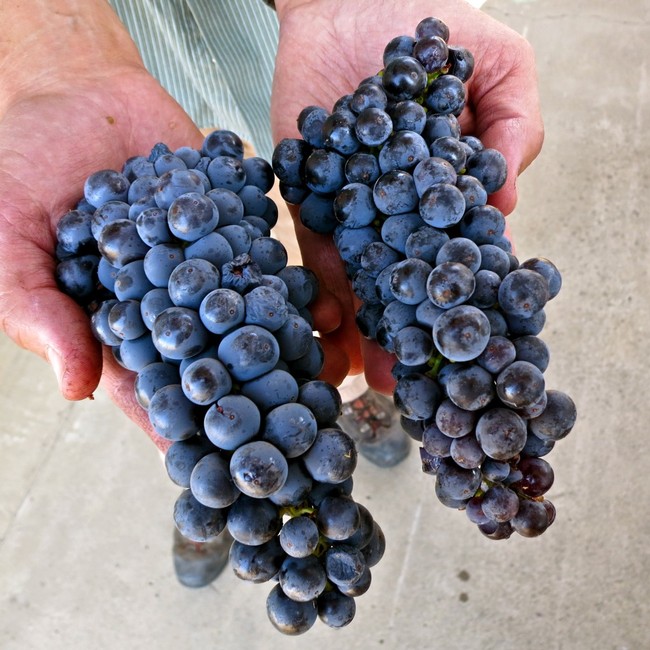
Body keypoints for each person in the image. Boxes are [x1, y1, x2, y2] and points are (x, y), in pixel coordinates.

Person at [0, 0, 543, 585]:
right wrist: (54, 54)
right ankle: (241, 471)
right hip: (117, 44)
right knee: (248, 301)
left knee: (321, 277)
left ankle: (341, 405)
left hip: (279, 45)